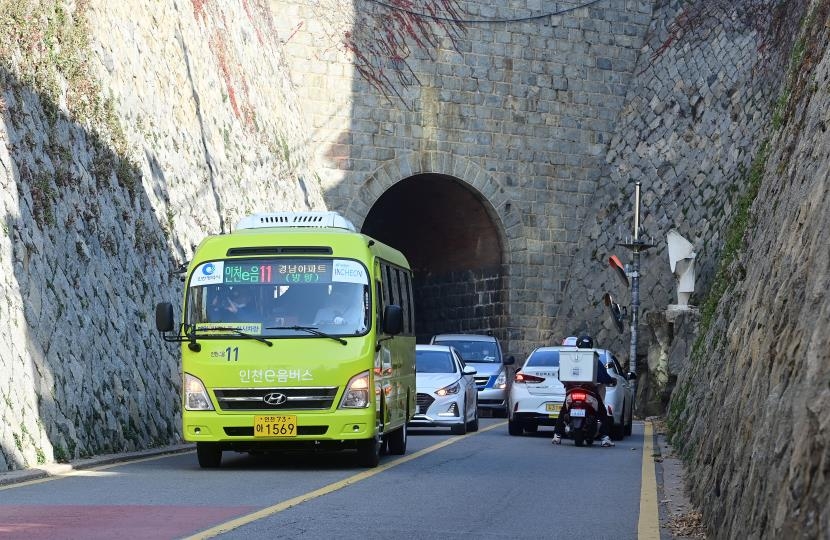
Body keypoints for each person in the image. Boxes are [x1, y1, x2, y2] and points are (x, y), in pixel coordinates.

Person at [552, 335, 616, 447]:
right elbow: (604, 377)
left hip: (571, 390)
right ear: (591, 345)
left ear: (577, 345)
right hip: (590, 391)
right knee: (602, 412)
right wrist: (610, 380)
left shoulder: (569, 358)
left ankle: (557, 436)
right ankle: (605, 438)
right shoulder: (594, 359)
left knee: (563, 411)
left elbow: (560, 375)